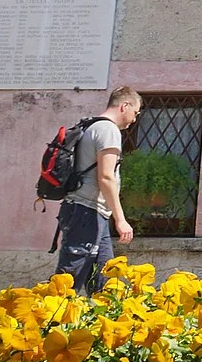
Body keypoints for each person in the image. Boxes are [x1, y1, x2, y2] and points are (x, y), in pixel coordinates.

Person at [55, 86, 141, 292]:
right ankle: (51, 320)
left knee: (105, 279)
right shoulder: (108, 130)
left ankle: (104, 320)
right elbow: (106, 177)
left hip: (90, 212)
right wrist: (120, 220)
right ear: (124, 106)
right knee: (69, 280)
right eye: (135, 113)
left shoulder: (90, 126)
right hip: (86, 212)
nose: (134, 120)